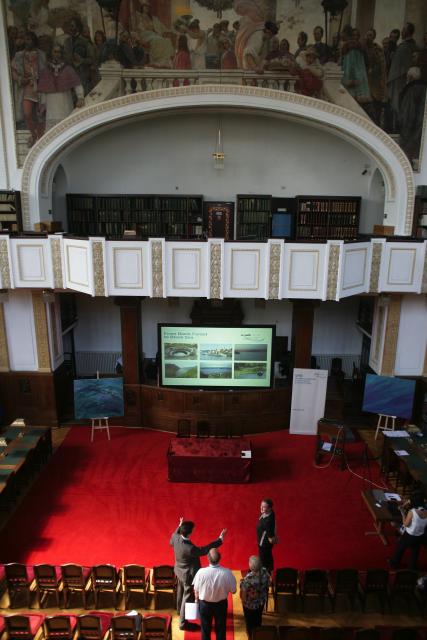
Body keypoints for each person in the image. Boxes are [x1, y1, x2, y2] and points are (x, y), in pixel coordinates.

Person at [170, 517, 226, 631]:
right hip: (188, 575)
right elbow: (204, 550)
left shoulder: (175, 537)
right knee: (187, 597)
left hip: (179, 571)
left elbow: (172, 539)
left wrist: (179, 525)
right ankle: (183, 623)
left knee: (180, 592)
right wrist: (219, 540)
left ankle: (178, 610)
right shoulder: (190, 548)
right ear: (190, 533)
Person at [38, 43, 84, 132]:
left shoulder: (68, 69)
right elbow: (43, 90)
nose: (57, 54)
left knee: (66, 129)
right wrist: (43, 103)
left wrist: (80, 97)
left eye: (59, 52)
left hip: (65, 103)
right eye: (55, 52)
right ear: (51, 53)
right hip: (51, 105)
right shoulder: (46, 70)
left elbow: (77, 84)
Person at [193, 549, 236, 640]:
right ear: (220, 558)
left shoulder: (201, 572)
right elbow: (234, 591)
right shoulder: (227, 572)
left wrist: (196, 601)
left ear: (208, 558)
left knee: (205, 629)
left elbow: (196, 590)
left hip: (204, 605)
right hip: (221, 605)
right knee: (221, 629)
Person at [389, 491, 427, 570]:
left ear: (413, 502)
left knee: (400, 548)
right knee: (415, 552)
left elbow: (406, 524)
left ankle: (394, 564)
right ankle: (411, 568)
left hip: (409, 536)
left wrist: (402, 512)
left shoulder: (412, 512)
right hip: (420, 536)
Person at [240, 555, 270, 639]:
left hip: (249, 606)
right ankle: (258, 635)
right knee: (258, 619)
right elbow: (268, 584)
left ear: (251, 567)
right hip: (261, 603)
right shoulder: (265, 573)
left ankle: (251, 637)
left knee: (250, 624)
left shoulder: (248, 579)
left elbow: (244, 597)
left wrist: (243, 601)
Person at [257, 498, 276, 571]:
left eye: (264, 507)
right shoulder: (270, 512)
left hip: (264, 545)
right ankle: (270, 571)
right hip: (263, 544)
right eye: (261, 505)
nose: (261, 508)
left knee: (264, 563)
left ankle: (265, 577)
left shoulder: (268, 522)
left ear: (269, 508)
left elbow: (271, 538)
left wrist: (274, 539)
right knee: (268, 559)